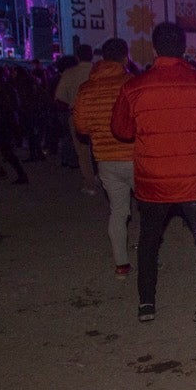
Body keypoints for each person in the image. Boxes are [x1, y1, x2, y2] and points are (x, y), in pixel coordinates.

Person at [111, 22, 196, 323]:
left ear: (155, 47)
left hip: (152, 180)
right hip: (194, 179)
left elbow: (120, 131)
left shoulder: (134, 87)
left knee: (148, 241)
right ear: (184, 47)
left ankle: (147, 303)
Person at [73, 38, 135, 276]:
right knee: (149, 209)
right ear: (125, 57)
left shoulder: (87, 88)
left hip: (105, 158)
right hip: (134, 155)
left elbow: (81, 126)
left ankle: (121, 263)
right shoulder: (131, 83)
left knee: (118, 211)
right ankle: (149, 255)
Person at [55, 43, 97, 194]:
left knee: (83, 152)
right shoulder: (98, 70)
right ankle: (104, 178)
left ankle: (90, 184)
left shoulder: (70, 73)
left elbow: (60, 97)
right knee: (101, 149)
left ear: (77, 56)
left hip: (78, 114)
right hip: (100, 114)